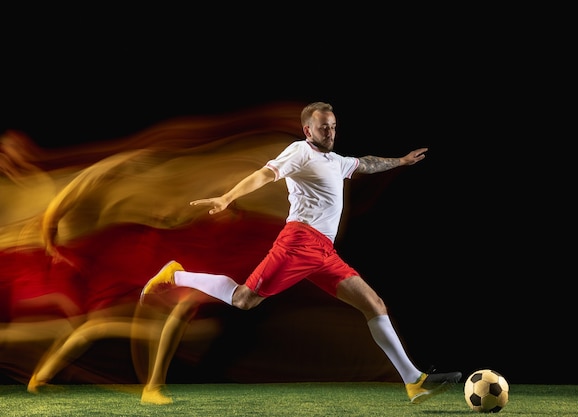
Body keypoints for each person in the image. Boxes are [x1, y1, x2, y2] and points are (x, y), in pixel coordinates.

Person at [139, 101, 461, 405]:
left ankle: (413, 381)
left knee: (373, 304)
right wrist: (226, 198)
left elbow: (365, 164)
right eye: (323, 128)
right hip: (298, 243)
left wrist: (401, 161)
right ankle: (174, 274)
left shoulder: (336, 161)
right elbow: (265, 174)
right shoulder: (300, 152)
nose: (330, 133)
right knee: (243, 300)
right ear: (308, 130)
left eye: (333, 127)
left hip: (324, 252)